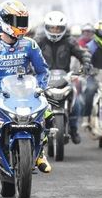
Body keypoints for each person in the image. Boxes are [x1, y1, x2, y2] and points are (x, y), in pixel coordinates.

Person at [0, 0, 52, 173]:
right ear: (4, 21)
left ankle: (40, 153)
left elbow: (43, 71)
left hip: (25, 94)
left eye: (23, 21)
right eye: (17, 21)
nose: (21, 26)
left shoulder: (30, 45)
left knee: (47, 113)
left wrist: (40, 89)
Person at [36, 10, 91, 144]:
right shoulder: (38, 41)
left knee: (77, 103)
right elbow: (27, 55)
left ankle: (73, 129)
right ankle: (35, 132)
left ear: (64, 28)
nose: (55, 31)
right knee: (34, 103)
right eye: (52, 28)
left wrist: (86, 64)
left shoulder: (70, 41)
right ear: (46, 27)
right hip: (43, 79)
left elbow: (82, 54)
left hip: (65, 78)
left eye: (58, 28)